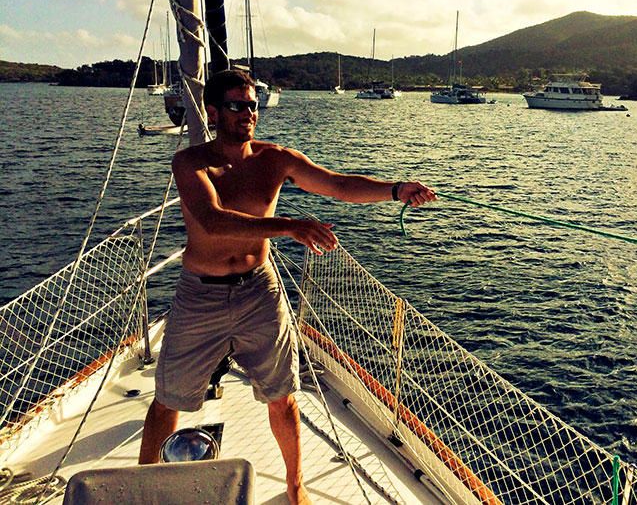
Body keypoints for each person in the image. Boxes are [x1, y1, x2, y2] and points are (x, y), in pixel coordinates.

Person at [138, 69, 435, 504]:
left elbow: (335, 184)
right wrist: (289, 226)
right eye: (238, 105)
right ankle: (143, 487)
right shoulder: (191, 162)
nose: (249, 113)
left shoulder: (274, 159)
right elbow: (210, 219)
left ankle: (296, 489)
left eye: (253, 104)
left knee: (283, 397)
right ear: (213, 111)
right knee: (169, 400)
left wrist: (395, 189)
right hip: (200, 296)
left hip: (260, 291)